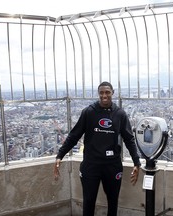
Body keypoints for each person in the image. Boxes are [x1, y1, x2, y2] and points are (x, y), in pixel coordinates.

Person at [53, 81, 141, 216]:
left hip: (112, 165)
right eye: (101, 93)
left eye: (107, 92)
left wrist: (136, 162)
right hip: (91, 165)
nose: (104, 95)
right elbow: (74, 136)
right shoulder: (89, 112)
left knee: (113, 202)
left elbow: (129, 139)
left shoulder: (120, 114)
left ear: (113, 93)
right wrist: (60, 155)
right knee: (88, 202)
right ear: (98, 94)